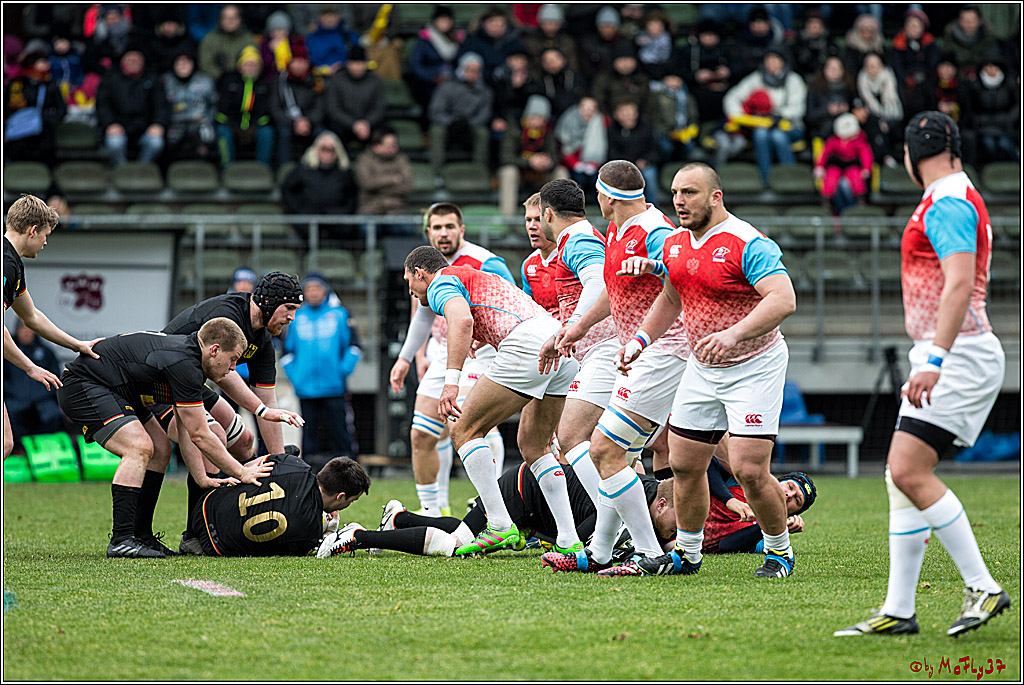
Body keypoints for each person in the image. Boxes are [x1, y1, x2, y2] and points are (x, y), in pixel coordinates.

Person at [835, 112, 1010, 638]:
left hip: (958, 355)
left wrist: (934, 359)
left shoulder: (948, 201)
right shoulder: (957, 192)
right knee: (900, 478)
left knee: (908, 471)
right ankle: (899, 609)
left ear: (912, 156)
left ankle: (982, 585)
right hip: (951, 350)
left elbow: (958, 284)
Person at [597, 161, 798, 579]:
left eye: (689, 192)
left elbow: (783, 299)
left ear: (715, 196)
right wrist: (640, 341)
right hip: (703, 366)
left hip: (753, 365)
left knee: (747, 468)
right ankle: (687, 554)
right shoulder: (676, 244)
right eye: (674, 193)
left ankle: (779, 551)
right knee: (685, 462)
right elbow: (671, 298)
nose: (679, 201)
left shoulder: (747, 242)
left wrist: (733, 334)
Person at [541, 161, 689, 575]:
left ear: (606, 196)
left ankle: (650, 553)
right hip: (631, 349)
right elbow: (612, 289)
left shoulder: (655, 232)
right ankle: (602, 551)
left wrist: (658, 273)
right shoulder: (618, 231)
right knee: (612, 451)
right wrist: (577, 327)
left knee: (605, 450)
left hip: (663, 353)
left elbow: (684, 281)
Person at [400, 245, 581, 555]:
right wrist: (482, 336)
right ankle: (568, 539)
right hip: (559, 343)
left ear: (421, 274)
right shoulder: (472, 275)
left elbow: (461, 321)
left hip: (528, 345)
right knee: (534, 445)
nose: (411, 291)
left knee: (463, 429)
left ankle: (498, 524)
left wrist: (451, 382)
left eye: (408, 281)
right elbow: (489, 313)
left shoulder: (442, 280)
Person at [56, 318, 274, 557]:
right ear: (215, 350)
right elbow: (201, 435)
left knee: (161, 450)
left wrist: (201, 476)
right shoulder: (185, 363)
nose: (233, 368)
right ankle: (121, 539)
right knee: (138, 447)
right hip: (84, 385)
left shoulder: (192, 361)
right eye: (233, 359)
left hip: (117, 390)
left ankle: (141, 536)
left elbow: (185, 426)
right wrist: (241, 472)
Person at [157, 272, 306, 555]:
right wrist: (261, 409)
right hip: (161, 384)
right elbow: (226, 376)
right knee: (212, 436)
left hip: (191, 386)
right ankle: (196, 534)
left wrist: (279, 463)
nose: (292, 318)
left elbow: (267, 400)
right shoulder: (228, 316)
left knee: (245, 441)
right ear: (270, 303)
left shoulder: (262, 339)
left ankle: (249, 503)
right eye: (289, 310)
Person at [389, 204, 515, 518]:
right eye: (437, 227)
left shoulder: (486, 261)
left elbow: (512, 301)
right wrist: (407, 357)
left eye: (449, 226)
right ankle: (434, 509)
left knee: (476, 426)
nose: (443, 233)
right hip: (441, 353)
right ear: (427, 231)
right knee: (422, 432)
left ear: (461, 229)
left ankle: (492, 506)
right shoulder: (423, 266)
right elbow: (421, 315)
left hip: (481, 352)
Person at [326, 463, 673, 559]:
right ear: (661, 503)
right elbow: (585, 542)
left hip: (532, 504)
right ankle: (359, 536)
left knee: (461, 531)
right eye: (680, 521)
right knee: (451, 545)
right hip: (520, 492)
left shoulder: (642, 493)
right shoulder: (626, 499)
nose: (679, 530)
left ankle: (399, 518)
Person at [532, 179, 619, 507]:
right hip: (604, 350)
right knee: (612, 447)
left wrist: (572, 328)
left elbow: (598, 282)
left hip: (606, 348)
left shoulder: (576, 239)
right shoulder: (582, 236)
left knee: (569, 437)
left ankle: (612, 521)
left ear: (548, 214)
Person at [3, 195, 100, 460]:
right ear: (32, 231)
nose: (46, 242)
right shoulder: (6, 263)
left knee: (5, 443)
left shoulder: (13, 264)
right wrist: (30, 367)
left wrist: (76, 344)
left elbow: (31, 316)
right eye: (45, 235)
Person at [195, 453, 369, 557]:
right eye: (351, 501)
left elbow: (249, 467)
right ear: (340, 497)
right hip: (214, 546)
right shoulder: (310, 533)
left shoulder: (293, 463)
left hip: (205, 505)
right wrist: (329, 531)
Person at [283, 274, 362, 466]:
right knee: (308, 435)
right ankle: (307, 473)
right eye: (309, 289)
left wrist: (342, 371)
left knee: (340, 432)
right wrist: (296, 377)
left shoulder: (340, 314)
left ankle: (349, 469)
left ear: (325, 290)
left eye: (317, 288)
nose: (313, 292)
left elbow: (353, 347)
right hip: (305, 389)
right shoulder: (296, 316)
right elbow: (287, 352)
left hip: (334, 386)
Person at [720, 49, 807, 186]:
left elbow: (798, 108)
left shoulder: (793, 80)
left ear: (783, 62)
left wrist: (779, 115)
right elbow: (732, 97)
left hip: (790, 126)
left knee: (778, 136)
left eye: (775, 60)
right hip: (763, 125)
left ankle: (788, 177)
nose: (771, 64)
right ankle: (766, 178)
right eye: (768, 60)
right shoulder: (756, 78)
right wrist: (741, 116)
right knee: (760, 134)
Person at [427, 52, 493, 184]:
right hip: (448, 124)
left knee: (483, 133)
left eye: (477, 71)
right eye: (470, 70)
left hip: (470, 125)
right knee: (436, 131)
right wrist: (451, 122)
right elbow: (435, 111)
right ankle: (436, 174)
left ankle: (478, 172)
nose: (473, 73)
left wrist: (470, 124)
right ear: (462, 69)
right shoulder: (446, 87)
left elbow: (485, 114)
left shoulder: (485, 91)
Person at [95, 48, 167, 166]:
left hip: (146, 128)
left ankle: (142, 170)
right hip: (118, 127)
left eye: (137, 59)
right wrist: (110, 124)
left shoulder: (153, 80)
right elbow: (102, 106)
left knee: (156, 143)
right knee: (115, 143)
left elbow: (161, 106)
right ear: (123, 61)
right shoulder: (110, 79)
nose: (133, 61)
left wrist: (158, 124)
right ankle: (122, 172)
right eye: (129, 58)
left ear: (143, 62)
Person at [498, 94, 565, 217]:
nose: (537, 121)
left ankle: (560, 218)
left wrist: (548, 162)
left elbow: (556, 157)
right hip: (519, 173)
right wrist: (529, 161)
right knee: (508, 172)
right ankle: (508, 219)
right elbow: (506, 157)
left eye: (541, 118)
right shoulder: (515, 129)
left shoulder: (548, 132)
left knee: (561, 172)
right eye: (534, 117)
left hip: (540, 175)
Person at [281, 132, 357, 236]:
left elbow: (352, 195)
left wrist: (343, 212)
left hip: (337, 222)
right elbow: (287, 190)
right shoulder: (303, 170)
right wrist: (299, 210)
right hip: (307, 221)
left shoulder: (345, 173)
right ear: (316, 149)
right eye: (324, 148)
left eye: (332, 149)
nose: (328, 153)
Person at [3, 321, 64, 450]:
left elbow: (56, 380)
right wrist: (18, 393)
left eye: (28, 329)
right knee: (10, 412)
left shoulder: (46, 352)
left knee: (53, 413)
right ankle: (19, 450)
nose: (25, 332)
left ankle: (47, 450)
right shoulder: (7, 351)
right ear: (16, 330)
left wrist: (38, 395)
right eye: (22, 329)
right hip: (14, 399)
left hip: (42, 400)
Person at [3, 44, 66, 165]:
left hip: (43, 134)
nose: (47, 64)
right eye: (42, 62)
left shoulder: (50, 85)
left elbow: (61, 109)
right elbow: (6, 106)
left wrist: (47, 119)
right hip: (18, 133)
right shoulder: (16, 84)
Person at [214, 45, 273, 167]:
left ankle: (262, 168)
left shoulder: (263, 85)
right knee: (222, 131)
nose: (250, 68)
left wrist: (254, 126)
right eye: (247, 64)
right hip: (232, 124)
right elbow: (223, 108)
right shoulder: (230, 81)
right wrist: (234, 125)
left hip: (254, 125)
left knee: (267, 132)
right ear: (240, 66)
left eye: (254, 65)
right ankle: (227, 168)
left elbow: (265, 110)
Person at [268, 44, 323, 167]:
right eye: (295, 61)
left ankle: (317, 168)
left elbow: (320, 107)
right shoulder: (279, 81)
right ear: (289, 63)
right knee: (284, 133)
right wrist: (294, 122)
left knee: (322, 134)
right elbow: (274, 108)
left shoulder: (316, 81)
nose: (299, 65)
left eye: (302, 61)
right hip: (286, 121)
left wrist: (307, 121)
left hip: (309, 121)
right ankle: (284, 169)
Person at [407, 6, 463, 124]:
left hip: (452, 81)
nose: (444, 23)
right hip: (429, 83)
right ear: (434, 21)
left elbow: (461, 63)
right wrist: (432, 78)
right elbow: (416, 66)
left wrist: (453, 76)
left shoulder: (457, 40)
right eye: (441, 20)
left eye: (447, 20)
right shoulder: (424, 40)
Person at [161, 48, 216, 163]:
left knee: (208, 136)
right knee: (168, 142)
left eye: (186, 62)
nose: (183, 66)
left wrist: (208, 120)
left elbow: (213, 105)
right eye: (179, 63)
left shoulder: (205, 82)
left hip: (200, 122)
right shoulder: (165, 82)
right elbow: (160, 107)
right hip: (175, 122)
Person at [324, 45, 385, 149]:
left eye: (360, 63)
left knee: (383, 133)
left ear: (366, 64)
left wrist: (366, 123)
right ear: (348, 63)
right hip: (343, 125)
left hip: (369, 125)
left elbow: (379, 108)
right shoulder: (337, 80)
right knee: (332, 130)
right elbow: (333, 109)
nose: (357, 67)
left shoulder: (375, 81)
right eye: (354, 63)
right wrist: (354, 124)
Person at [814, 113, 873, 215]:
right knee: (830, 177)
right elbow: (824, 154)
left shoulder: (859, 140)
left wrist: (866, 168)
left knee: (856, 178)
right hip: (835, 165)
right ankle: (826, 202)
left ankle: (860, 202)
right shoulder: (833, 140)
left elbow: (866, 155)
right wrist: (819, 166)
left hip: (852, 165)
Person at [606, 98, 660, 206]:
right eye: (624, 113)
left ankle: (653, 207)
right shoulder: (612, 130)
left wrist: (645, 161)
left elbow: (655, 150)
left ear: (636, 113)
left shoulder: (646, 127)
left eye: (630, 112)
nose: (627, 116)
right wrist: (630, 163)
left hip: (644, 164)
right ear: (616, 114)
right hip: (622, 166)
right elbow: (611, 153)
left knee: (649, 175)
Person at [554, 96, 608, 203]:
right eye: (585, 108)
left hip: (593, 164)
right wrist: (576, 164)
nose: (588, 112)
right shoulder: (568, 120)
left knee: (596, 178)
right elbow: (562, 149)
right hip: (569, 162)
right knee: (578, 179)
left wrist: (591, 164)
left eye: (592, 109)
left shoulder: (600, 122)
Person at [966, 55, 1019, 163]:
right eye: (988, 67)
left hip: (1005, 125)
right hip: (983, 126)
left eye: (994, 67)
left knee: (1006, 145)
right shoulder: (975, 86)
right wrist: (980, 121)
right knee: (989, 145)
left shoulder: (1009, 84)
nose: (991, 70)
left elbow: (1017, 105)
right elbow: (970, 108)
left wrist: (1009, 119)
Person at [354, 127, 413, 217]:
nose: (394, 148)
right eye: (390, 145)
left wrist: (377, 187)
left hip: (396, 209)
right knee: (366, 225)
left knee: (407, 227)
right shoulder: (364, 160)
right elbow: (367, 184)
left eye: (395, 144)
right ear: (377, 147)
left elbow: (407, 187)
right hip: (370, 208)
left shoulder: (401, 159)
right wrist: (393, 179)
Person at [519, 193, 560, 317]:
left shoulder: (571, 256)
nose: (532, 226)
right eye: (528, 220)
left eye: (538, 219)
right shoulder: (528, 264)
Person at [804, 56, 856, 142]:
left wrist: (847, 109)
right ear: (824, 70)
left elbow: (856, 110)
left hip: (846, 132)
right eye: (832, 68)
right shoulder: (815, 88)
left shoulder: (849, 87)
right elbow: (809, 116)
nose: (835, 71)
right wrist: (828, 111)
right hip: (821, 132)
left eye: (838, 68)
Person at [198, 4, 254, 81]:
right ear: (220, 20)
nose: (230, 21)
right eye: (226, 18)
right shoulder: (210, 38)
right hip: (216, 80)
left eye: (234, 18)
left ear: (240, 19)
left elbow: (254, 63)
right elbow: (205, 65)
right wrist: (223, 77)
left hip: (242, 79)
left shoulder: (248, 38)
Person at [304, 4, 360, 76]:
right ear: (319, 18)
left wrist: (342, 66)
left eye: (333, 15)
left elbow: (359, 58)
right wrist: (327, 68)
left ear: (339, 17)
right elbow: (310, 62)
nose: (329, 19)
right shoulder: (311, 38)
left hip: (348, 76)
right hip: (321, 77)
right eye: (326, 16)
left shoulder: (350, 36)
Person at [259, 11, 306, 83]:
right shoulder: (265, 45)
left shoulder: (293, 44)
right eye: (276, 30)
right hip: (271, 79)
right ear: (270, 32)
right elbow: (263, 65)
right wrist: (271, 52)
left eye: (283, 30)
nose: (280, 33)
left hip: (289, 79)